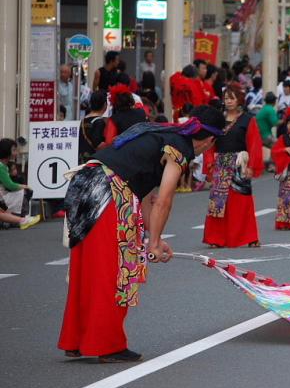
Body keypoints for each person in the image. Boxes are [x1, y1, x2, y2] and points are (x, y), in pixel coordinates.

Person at [58, 106, 225, 362]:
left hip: (85, 183)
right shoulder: (180, 148)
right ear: (210, 140)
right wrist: (153, 243)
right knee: (114, 270)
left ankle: (77, 340)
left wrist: (154, 237)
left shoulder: (162, 132)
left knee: (87, 267)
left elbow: (144, 194)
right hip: (110, 191)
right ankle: (106, 344)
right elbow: (164, 200)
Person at [202, 83, 264, 248]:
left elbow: (254, 144)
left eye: (232, 98)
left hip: (239, 163)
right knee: (218, 202)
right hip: (221, 163)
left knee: (242, 201)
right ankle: (215, 238)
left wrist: (251, 166)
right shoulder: (217, 120)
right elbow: (209, 142)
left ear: (239, 100)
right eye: (226, 98)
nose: (228, 101)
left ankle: (249, 237)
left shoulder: (248, 120)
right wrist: (209, 162)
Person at [0, 138, 32, 217]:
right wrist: (24, 186)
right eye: (14, 150)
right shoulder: (1, 166)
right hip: (1, 195)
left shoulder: (4, 165)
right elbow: (10, 185)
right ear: (6, 151)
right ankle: (20, 217)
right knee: (23, 192)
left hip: (2, 193)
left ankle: (17, 216)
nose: (16, 153)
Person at [78, 91, 108, 163]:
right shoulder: (99, 122)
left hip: (82, 160)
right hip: (93, 162)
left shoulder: (83, 120)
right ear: (105, 105)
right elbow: (98, 144)